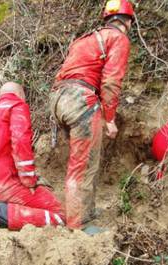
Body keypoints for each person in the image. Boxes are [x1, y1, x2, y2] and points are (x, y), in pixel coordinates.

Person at [48, 0, 133, 228]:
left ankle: (85, 211)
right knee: (83, 166)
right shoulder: (118, 38)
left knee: (82, 161)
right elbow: (111, 81)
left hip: (59, 99)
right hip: (81, 100)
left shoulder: (84, 40)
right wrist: (110, 117)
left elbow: (64, 73)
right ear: (128, 21)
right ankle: (78, 225)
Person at [0, 82, 65, 232]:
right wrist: (29, 180)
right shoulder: (16, 106)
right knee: (59, 215)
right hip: (4, 183)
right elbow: (20, 141)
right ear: (20, 95)